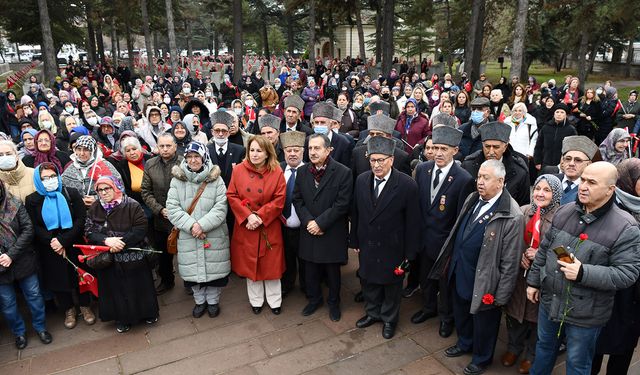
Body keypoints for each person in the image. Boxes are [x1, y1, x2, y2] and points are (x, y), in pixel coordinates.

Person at [526, 162, 640, 375]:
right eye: (583, 180)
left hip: (587, 312)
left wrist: (583, 273)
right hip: (550, 301)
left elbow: (627, 273)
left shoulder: (626, 227)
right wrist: (533, 281)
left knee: (578, 364)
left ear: (610, 190)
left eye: (592, 182)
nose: (583, 186)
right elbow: (544, 249)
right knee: (543, 349)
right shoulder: (564, 211)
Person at [431, 159, 524, 375]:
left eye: (486, 178)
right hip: (460, 269)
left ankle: (481, 358)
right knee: (462, 312)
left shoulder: (512, 215)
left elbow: (510, 262)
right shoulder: (474, 198)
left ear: (500, 182)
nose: (479, 182)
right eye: (479, 176)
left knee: (485, 323)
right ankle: (464, 343)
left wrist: (501, 294)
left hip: (485, 279)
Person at [350, 136, 420, 339]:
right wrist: (354, 240)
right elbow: (356, 213)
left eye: (381, 160)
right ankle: (372, 312)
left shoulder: (407, 185)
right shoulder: (362, 180)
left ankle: (389, 318)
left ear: (391, 159)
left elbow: (413, 223)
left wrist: (409, 253)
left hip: (393, 246)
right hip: (368, 243)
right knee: (369, 280)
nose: (377, 165)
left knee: (391, 285)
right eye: (373, 160)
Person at [411, 126, 474, 339]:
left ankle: (447, 318)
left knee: (445, 285)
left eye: (443, 149)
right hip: (423, 238)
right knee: (425, 278)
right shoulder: (422, 169)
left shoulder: (463, 179)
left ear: (455, 150)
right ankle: (429, 308)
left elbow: (460, 218)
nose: (438, 153)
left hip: (445, 244)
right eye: (435, 148)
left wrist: (452, 246)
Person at [502, 174, 563, 374]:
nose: (540, 193)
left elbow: (565, 253)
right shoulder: (523, 211)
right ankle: (513, 348)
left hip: (543, 280)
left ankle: (530, 355)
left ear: (555, 194)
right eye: (537, 189)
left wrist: (541, 254)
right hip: (520, 277)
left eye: (547, 190)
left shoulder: (563, 218)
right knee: (515, 314)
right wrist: (520, 254)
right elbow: (509, 240)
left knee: (535, 321)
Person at [85, 176, 159, 333]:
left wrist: (120, 243)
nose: (104, 193)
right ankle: (123, 319)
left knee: (139, 287)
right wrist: (106, 241)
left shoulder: (132, 205)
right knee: (116, 290)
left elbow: (140, 228)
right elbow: (89, 231)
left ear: (115, 187)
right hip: (109, 257)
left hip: (133, 254)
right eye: (100, 190)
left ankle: (148, 313)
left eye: (107, 188)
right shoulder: (95, 208)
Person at [25, 162, 93, 330]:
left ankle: (85, 306)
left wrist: (64, 240)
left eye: (52, 176)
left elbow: (80, 219)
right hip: (50, 246)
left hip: (73, 242)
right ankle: (68, 310)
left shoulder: (71, 193)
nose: (50, 180)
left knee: (80, 275)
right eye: (44, 178)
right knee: (58, 279)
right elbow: (34, 226)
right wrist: (53, 241)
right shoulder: (32, 200)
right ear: (38, 181)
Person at [166, 141, 230, 319]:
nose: (193, 160)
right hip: (188, 235)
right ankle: (199, 301)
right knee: (193, 273)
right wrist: (192, 226)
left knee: (214, 273)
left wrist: (202, 225)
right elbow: (172, 208)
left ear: (204, 158)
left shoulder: (216, 179)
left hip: (213, 233)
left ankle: (213, 301)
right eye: (190, 157)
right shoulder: (177, 181)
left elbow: (221, 207)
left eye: (197, 156)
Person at [293, 133, 352, 322]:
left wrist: (320, 223)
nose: (312, 152)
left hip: (331, 231)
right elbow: (297, 199)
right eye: (310, 148)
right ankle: (314, 300)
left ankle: (334, 303)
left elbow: (342, 204)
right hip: (309, 229)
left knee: (332, 272)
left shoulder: (343, 172)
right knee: (309, 269)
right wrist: (309, 222)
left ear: (328, 150)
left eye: (317, 148)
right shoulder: (302, 172)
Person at [227, 135, 286, 315]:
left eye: (259, 151)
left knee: (271, 265)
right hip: (246, 226)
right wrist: (248, 217)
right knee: (250, 264)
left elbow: (279, 199)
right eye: (251, 150)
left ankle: (275, 301)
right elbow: (232, 195)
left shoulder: (277, 172)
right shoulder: (238, 170)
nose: (254, 154)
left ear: (268, 153)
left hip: (268, 225)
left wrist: (259, 217)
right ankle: (256, 301)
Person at [591, 159, 640, 374]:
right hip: (604, 286)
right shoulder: (607, 203)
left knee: (625, 344)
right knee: (594, 345)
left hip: (633, 293)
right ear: (628, 180)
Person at [0, 179, 52, 350]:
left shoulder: (14, 203)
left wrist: (11, 255)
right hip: (1, 266)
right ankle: (19, 332)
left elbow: (28, 229)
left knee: (34, 296)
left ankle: (40, 327)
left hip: (22, 259)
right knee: (7, 304)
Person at [141, 133, 183, 294]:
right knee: (163, 254)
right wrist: (159, 209)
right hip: (161, 218)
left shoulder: (183, 163)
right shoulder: (151, 164)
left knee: (186, 251)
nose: (165, 149)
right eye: (161, 146)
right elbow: (146, 191)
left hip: (182, 216)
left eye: (168, 146)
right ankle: (167, 280)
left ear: (175, 146)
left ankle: (190, 282)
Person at [462, 121, 531, 205]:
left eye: (496, 147)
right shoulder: (468, 166)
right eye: (487, 147)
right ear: (482, 145)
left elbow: (523, 207)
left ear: (505, 147)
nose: (491, 152)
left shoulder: (519, 172)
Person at [279, 130, 306, 297]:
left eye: (296, 150)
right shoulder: (277, 169)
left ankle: (306, 285)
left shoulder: (310, 171)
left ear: (303, 151)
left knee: (304, 260)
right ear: (284, 152)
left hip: (304, 226)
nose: (293, 154)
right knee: (286, 257)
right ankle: (287, 283)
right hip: (282, 225)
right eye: (289, 150)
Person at [61, 135, 122, 209]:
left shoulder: (104, 165)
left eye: (86, 149)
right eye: (79, 149)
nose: (82, 153)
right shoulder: (70, 168)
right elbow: (63, 191)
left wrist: (98, 199)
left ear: (93, 150)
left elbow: (119, 189)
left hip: (102, 211)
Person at [351, 114, 411, 179]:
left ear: (389, 136)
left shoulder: (401, 157)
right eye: (372, 134)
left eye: (379, 134)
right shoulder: (358, 153)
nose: (374, 137)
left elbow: (405, 183)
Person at [534, 103, 577, 171]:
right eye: (557, 112)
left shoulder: (571, 129)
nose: (559, 114)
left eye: (562, 112)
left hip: (563, 165)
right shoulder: (546, 127)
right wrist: (537, 161)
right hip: (545, 163)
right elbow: (538, 146)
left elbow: (574, 148)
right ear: (554, 114)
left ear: (566, 115)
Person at [207, 111, 245, 188]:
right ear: (212, 132)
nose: (220, 134)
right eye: (217, 130)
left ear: (228, 133)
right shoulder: (206, 150)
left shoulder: (240, 150)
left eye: (224, 131)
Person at [309, 102, 353, 167]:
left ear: (331, 124)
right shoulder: (308, 140)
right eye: (316, 122)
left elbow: (346, 169)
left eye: (322, 122)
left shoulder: (343, 143)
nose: (319, 125)